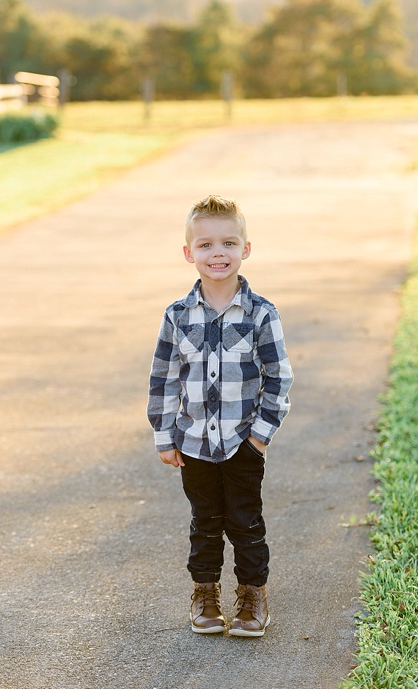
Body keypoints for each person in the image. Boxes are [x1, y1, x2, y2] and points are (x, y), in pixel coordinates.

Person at [148, 194, 293, 638]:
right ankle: (205, 595)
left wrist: (260, 438)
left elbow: (279, 377)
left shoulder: (260, 314)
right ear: (189, 253)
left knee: (246, 523)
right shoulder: (177, 316)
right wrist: (165, 436)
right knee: (205, 524)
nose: (218, 254)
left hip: (242, 443)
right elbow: (164, 377)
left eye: (229, 243)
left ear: (245, 249)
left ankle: (253, 597)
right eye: (207, 245)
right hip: (193, 444)